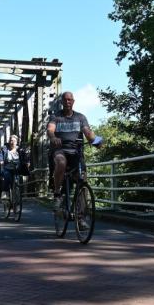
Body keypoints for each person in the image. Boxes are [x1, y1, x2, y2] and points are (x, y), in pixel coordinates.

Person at [46, 91, 103, 220]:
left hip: (76, 152)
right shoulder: (55, 117)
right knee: (61, 162)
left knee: (82, 181)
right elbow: (50, 130)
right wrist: (53, 137)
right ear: (61, 102)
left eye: (70, 100)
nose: (67, 102)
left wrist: (97, 141)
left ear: (73, 102)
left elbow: (88, 132)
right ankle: (57, 195)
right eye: (65, 100)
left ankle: (81, 218)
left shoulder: (80, 117)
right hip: (60, 150)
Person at [0, 135, 30, 199]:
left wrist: (27, 162)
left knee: (16, 181)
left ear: (16, 142)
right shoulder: (4, 148)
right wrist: (1, 161)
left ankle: (16, 195)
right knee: (7, 178)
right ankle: (5, 193)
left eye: (14, 141)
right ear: (9, 141)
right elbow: (0, 155)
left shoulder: (20, 149)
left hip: (17, 168)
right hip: (7, 167)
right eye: (11, 140)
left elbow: (25, 157)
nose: (12, 142)